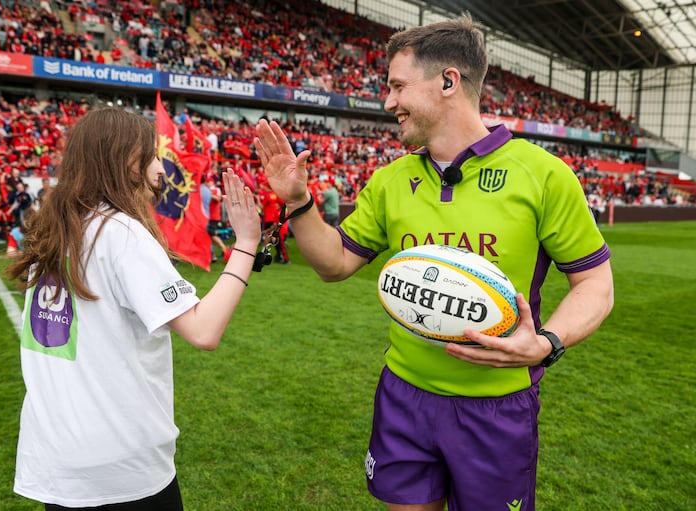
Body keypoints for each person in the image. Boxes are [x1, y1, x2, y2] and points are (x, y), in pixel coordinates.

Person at [254, 13, 614, 511]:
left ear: (449, 81)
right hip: (404, 393)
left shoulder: (544, 176)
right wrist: (298, 203)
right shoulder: (390, 180)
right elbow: (333, 263)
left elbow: (595, 283)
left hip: (497, 404)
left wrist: (547, 342)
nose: (388, 102)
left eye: (398, 86)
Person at [5, 108, 261, 510]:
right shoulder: (120, 232)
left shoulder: (56, 232)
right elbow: (204, 330)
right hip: (121, 469)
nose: (161, 169)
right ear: (127, 160)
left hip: (59, 462)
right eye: (153, 156)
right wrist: (246, 242)